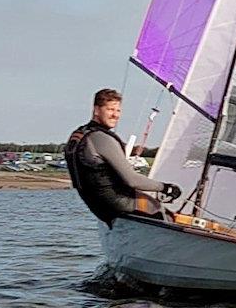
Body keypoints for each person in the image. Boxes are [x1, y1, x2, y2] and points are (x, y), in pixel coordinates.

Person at [65, 88, 181, 228]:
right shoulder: (101, 138)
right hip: (118, 204)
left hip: (98, 207)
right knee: (166, 215)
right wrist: (165, 188)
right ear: (96, 110)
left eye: (118, 110)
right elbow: (132, 180)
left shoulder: (78, 135)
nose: (115, 115)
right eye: (110, 109)